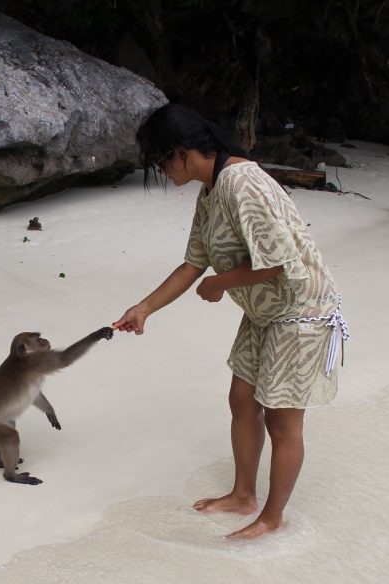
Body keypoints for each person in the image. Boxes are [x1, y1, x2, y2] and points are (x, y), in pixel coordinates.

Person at [113, 103, 348, 540]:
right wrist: (144, 308)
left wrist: (221, 284)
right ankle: (244, 494)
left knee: (282, 421)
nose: (164, 173)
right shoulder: (211, 188)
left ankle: (272, 517)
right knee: (242, 399)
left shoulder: (242, 183)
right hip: (265, 312)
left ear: (181, 152)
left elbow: (281, 262)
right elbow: (192, 264)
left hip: (300, 312)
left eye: (162, 162)